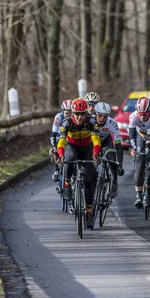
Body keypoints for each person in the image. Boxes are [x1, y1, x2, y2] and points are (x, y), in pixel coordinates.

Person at [56, 98, 101, 229]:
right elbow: (61, 141)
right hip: (72, 146)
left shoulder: (91, 121)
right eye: (77, 113)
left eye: (83, 114)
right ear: (72, 112)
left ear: (86, 113)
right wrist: (61, 155)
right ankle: (67, 183)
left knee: (88, 181)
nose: (80, 117)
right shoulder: (67, 122)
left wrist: (95, 154)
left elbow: (96, 139)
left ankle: (89, 213)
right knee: (68, 159)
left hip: (87, 147)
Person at [129, 96, 150, 208]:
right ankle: (138, 195)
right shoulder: (133, 116)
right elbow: (131, 135)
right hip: (141, 136)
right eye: (140, 114)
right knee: (140, 163)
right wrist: (134, 148)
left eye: (145, 115)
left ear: (149, 112)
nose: (142, 117)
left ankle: (149, 189)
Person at [93, 102, 124, 199]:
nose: (102, 118)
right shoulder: (90, 121)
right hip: (93, 142)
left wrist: (119, 164)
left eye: (105, 116)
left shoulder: (112, 124)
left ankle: (114, 182)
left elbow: (118, 145)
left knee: (111, 157)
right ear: (95, 113)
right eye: (100, 115)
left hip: (106, 141)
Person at [50, 99, 72, 182]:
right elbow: (54, 133)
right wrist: (53, 146)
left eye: (71, 113)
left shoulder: (76, 117)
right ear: (63, 111)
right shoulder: (58, 117)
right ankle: (56, 169)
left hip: (71, 136)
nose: (69, 115)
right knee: (55, 150)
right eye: (67, 113)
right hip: (60, 136)